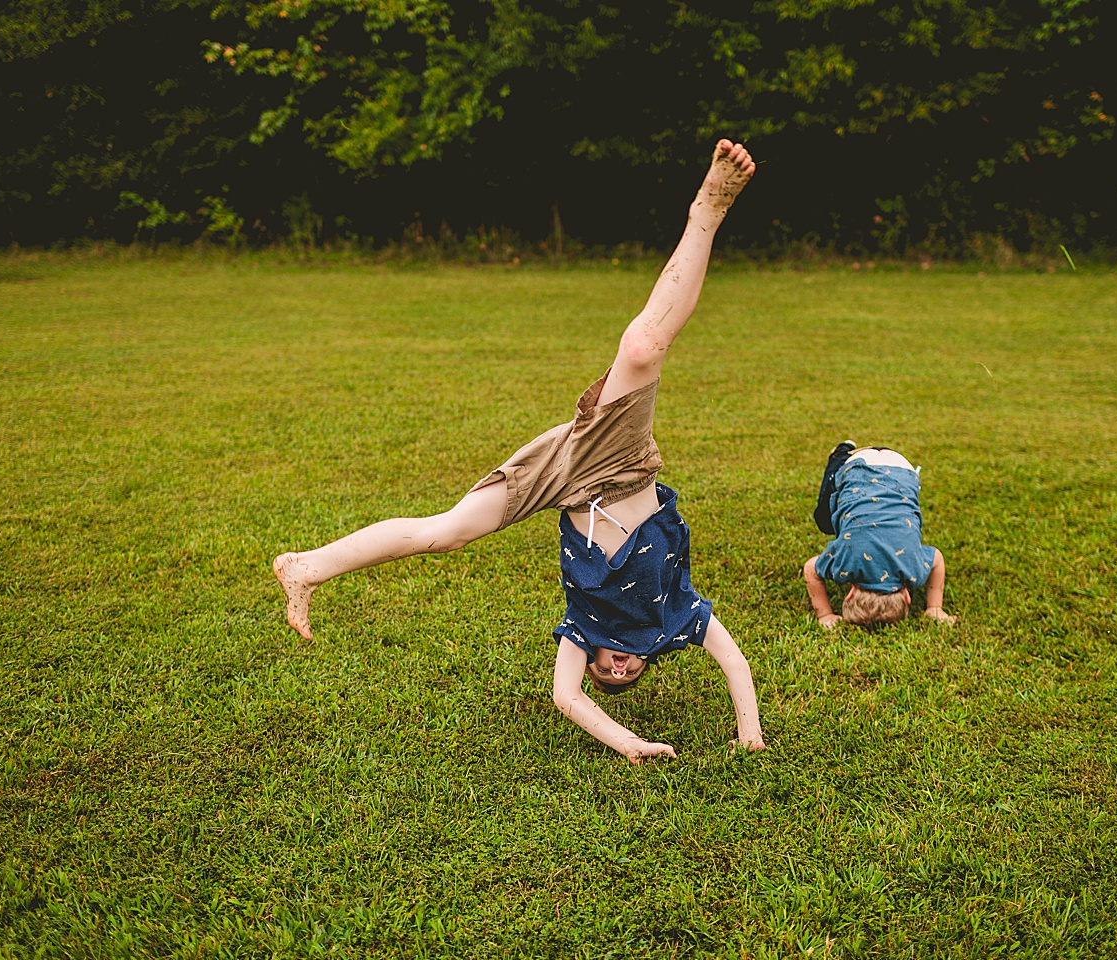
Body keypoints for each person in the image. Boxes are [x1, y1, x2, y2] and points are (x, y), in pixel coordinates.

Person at [274, 140, 766, 764]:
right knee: (643, 346)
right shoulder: (678, 615)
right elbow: (733, 660)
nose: (613, 667)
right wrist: (748, 731)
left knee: (447, 531)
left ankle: (306, 567)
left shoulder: (583, 633)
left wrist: (628, 744)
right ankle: (707, 211)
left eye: (604, 674)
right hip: (617, 467)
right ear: (644, 658)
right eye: (625, 672)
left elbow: (568, 699)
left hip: (560, 481)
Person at [802, 441, 957, 629]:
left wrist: (935, 607)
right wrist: (825, 615)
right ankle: (840, 455)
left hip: (903, 470)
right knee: (824, 520)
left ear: (907, 596)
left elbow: (937, 559)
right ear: (850, 593)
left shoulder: (913, 570)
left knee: (830, 519)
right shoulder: (845, 564)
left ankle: (842, 453)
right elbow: (811, 569)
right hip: (857, 467)